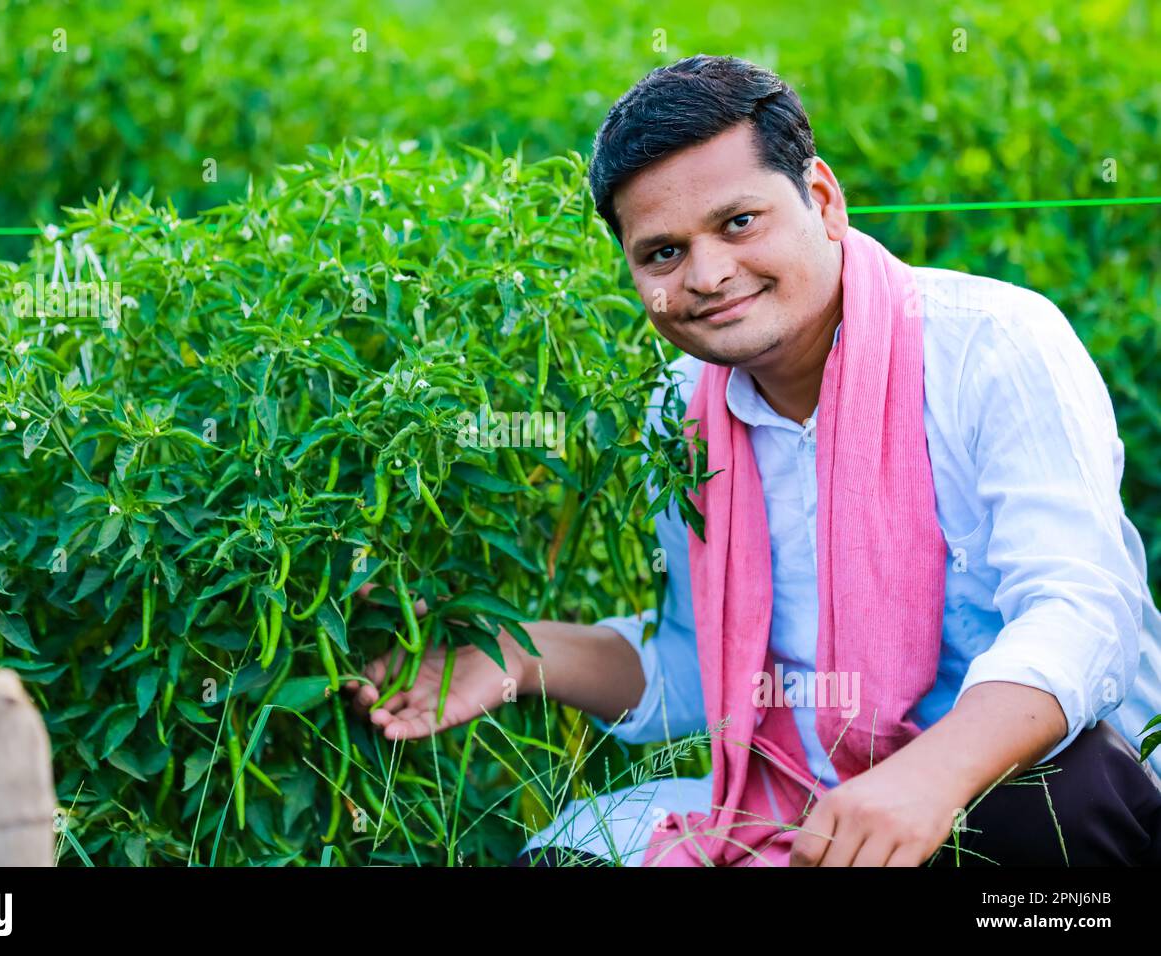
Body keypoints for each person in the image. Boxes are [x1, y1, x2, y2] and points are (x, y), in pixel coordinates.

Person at [345, 54, 1161, 867]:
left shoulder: (990, 346)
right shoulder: (679, 408)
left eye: (739, 222)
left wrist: (928, 776)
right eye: (662, 253)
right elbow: (709, 668)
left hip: (1005, 799)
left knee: (1061, 799)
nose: (707, 276)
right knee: (569, 857)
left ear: (823, 200)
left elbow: (1081, 613)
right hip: (794, 796)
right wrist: (511, 654)